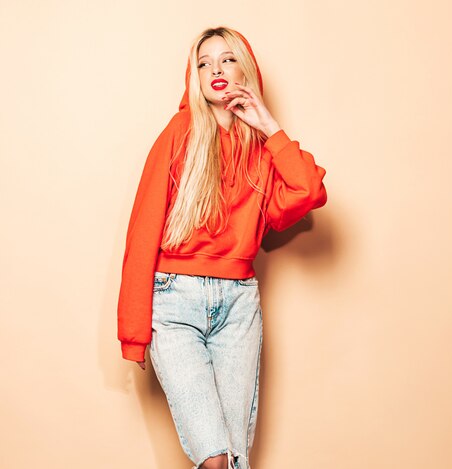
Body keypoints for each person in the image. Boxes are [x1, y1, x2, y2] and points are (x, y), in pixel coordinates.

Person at [116, 26, 328, 469]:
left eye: (227, 59)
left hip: (238, 307)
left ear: (245, 69)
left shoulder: (264, 150)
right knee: (213, 458)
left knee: (234, 459)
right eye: (204, 62)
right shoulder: (179, 132)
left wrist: (267, 124)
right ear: (194, 76)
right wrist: (134, 332)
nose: (215, 69)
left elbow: (308, 191)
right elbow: (143, 230)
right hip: (174, 305)